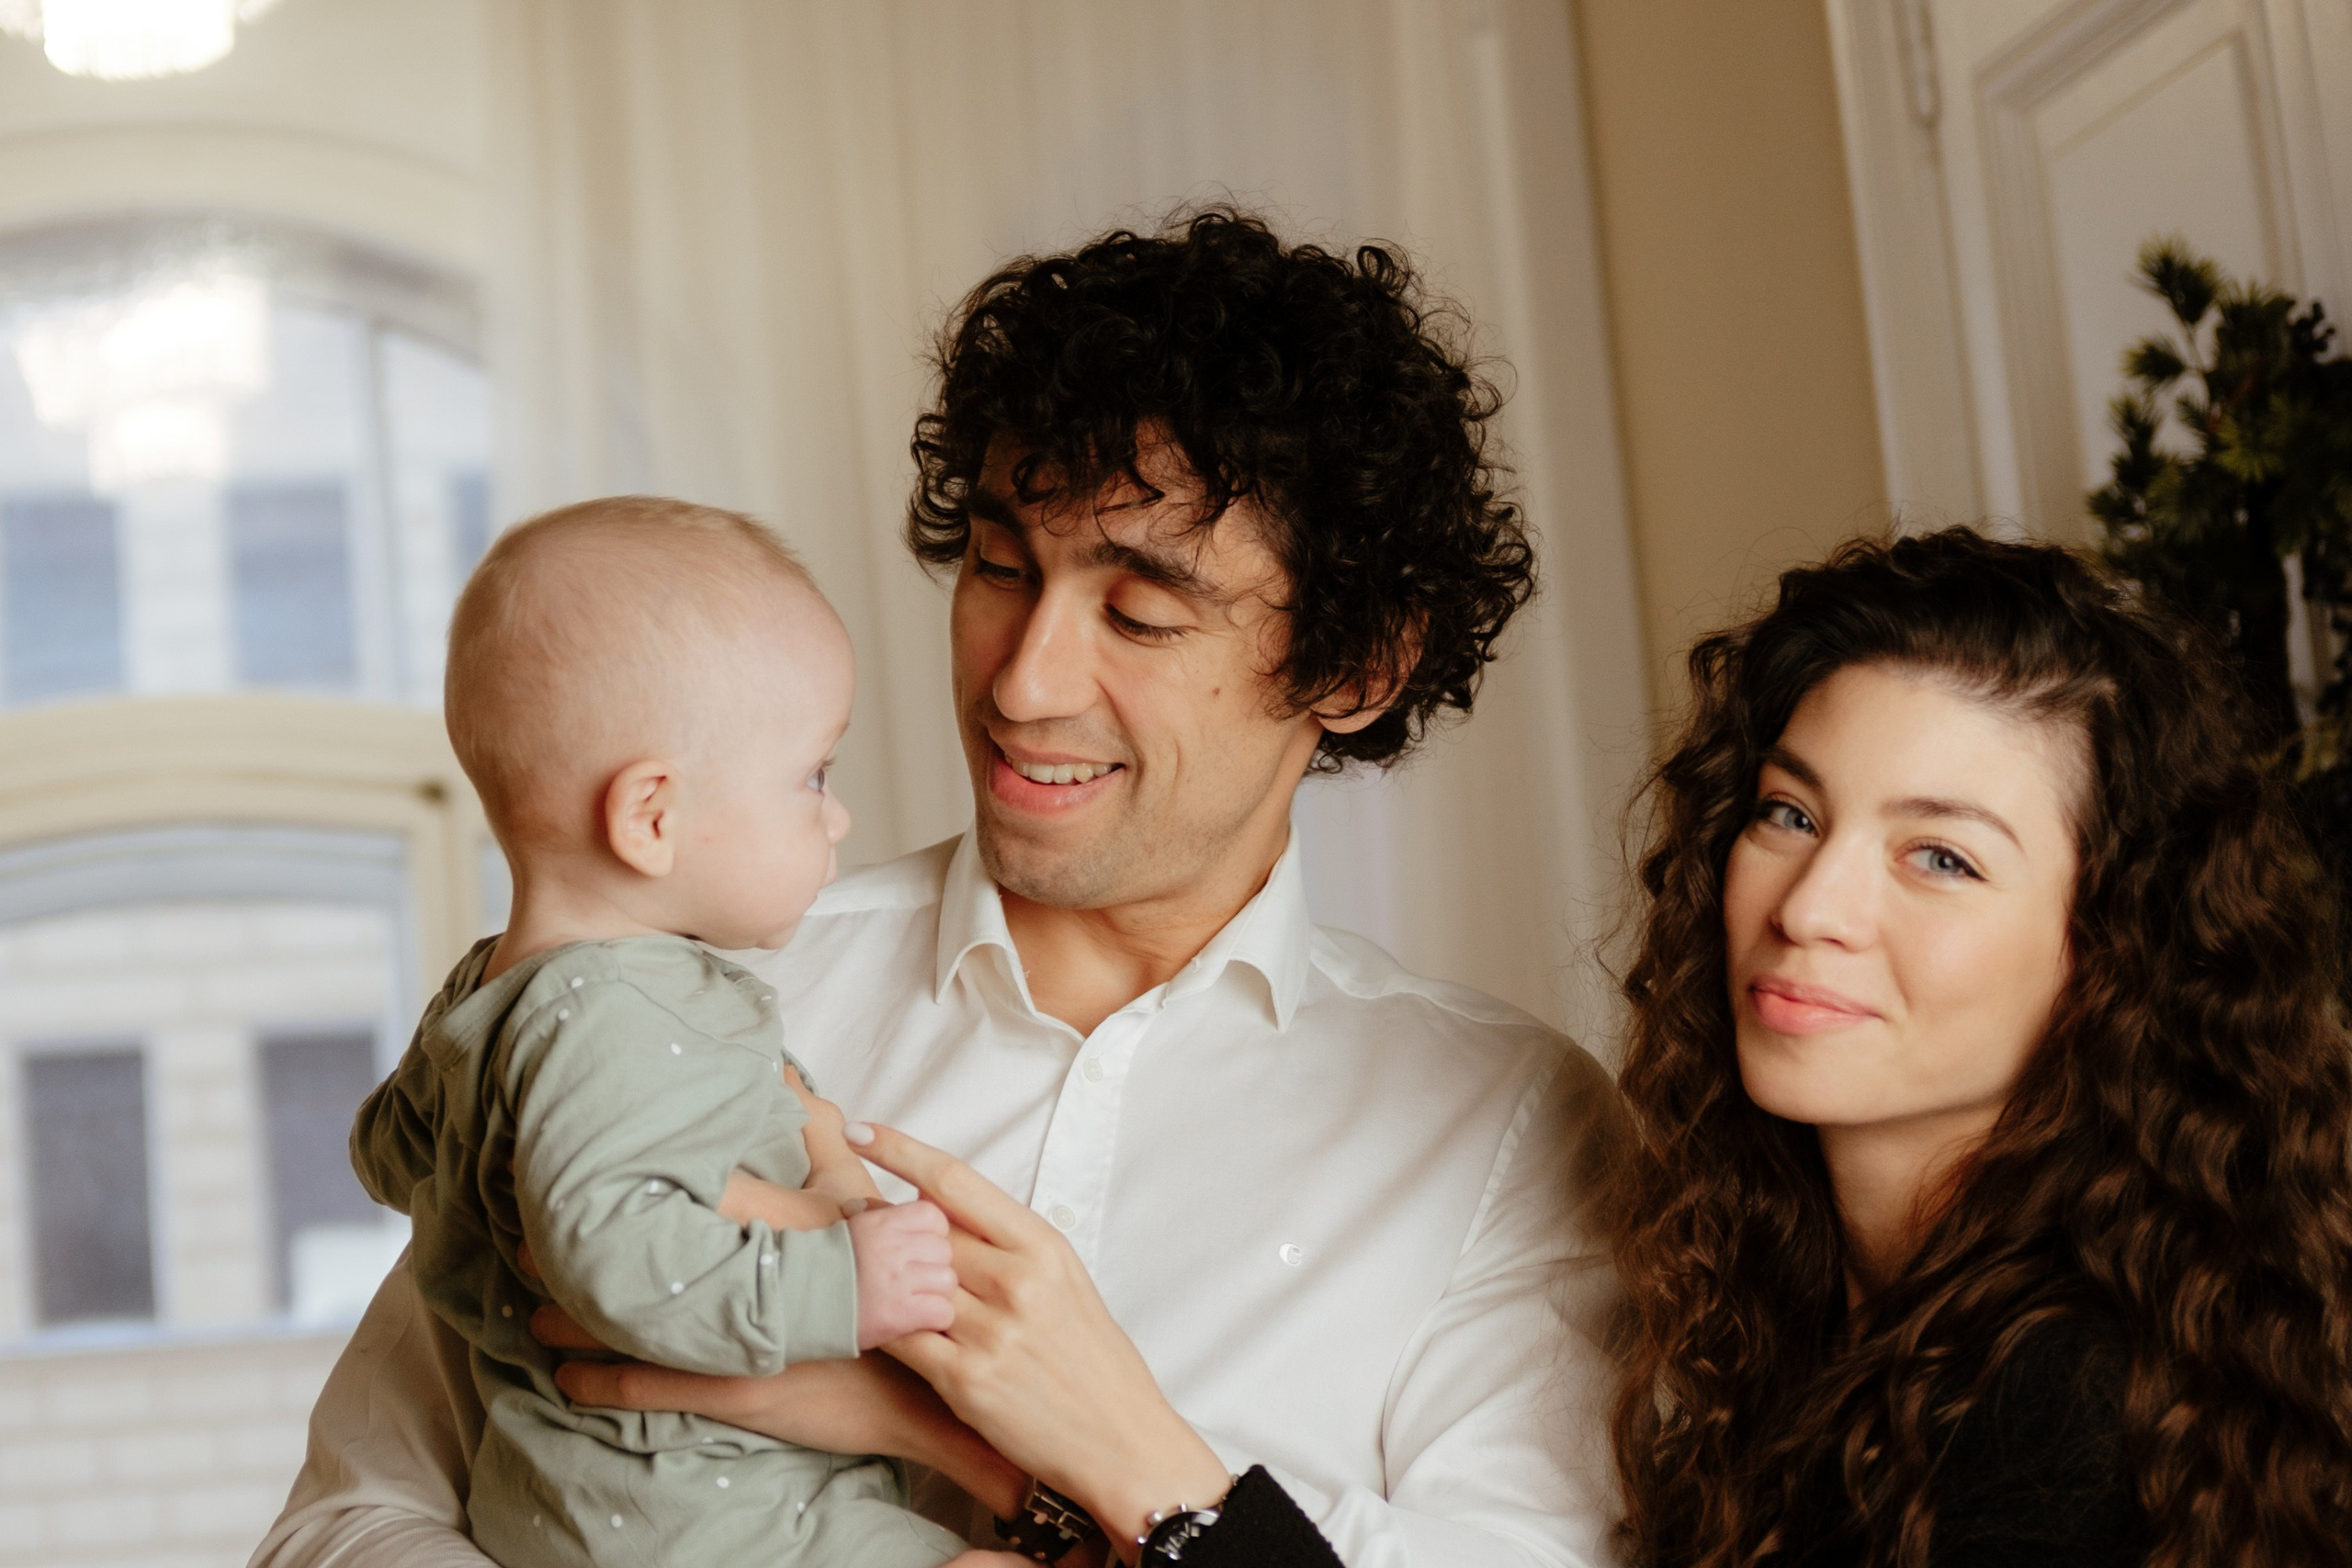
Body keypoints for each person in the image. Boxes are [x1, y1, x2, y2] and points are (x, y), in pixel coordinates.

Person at [250, 210, 1624, 1568]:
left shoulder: (1507, 1130)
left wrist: (1016, 1437)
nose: (1020, 682)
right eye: (1001, 567)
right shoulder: (664, 986)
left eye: (1139, 614)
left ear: (1359, 665)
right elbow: (343, 1522)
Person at [1602, 529, 2352, 1566]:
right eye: (1789, 812)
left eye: (1941, 858)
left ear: (2108, 953)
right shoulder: (1787, 1316)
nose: (1814, 905)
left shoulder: (2069, 1402)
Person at [351, 496, 976, 1567]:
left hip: (583, 1500)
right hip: (704, 1518)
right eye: (812, 778)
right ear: (650, 818)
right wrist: (846, 1283)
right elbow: (611, 1252)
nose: (838, 818)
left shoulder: (485, 998)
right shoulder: (614, 1012)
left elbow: (385, 1156)